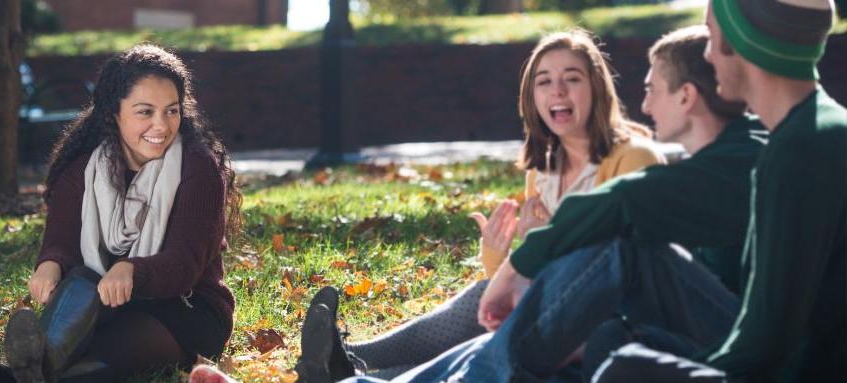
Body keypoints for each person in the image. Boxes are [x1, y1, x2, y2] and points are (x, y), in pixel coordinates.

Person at [291, 29, 664, 382]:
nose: (558, 90)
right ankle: (353, 365)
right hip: (552, 310)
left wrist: (538, 248)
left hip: (608, 319)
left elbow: (618, 265)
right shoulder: (543, 171)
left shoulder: (632, 158)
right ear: (531, 97)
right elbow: (523, 283)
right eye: (544, 81)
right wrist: (496, 255)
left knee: (484, 326)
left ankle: (352, 365)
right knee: (483, 307)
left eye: (572, 78)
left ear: (596, 87)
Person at [0, 44, 242, 383]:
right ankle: (22, 373)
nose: (162, 125)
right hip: (99, 307)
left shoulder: (198, 168)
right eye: (145, 112)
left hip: (185, 311)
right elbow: (62, 243)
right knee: (81, 282)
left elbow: (184, 265)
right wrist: (50, 264)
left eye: (171, 111)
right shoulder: (83, 169)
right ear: (114, 111)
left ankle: (1, 377)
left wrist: (132, 269)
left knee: (100, 356)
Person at [592, 1, 844, 381]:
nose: (707, 54)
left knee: (625, 369)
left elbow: (767, 340)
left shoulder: (797, 151)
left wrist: (698, 367)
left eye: (711, 36)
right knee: (619, 347)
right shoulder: (817, 129)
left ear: (742, 43)